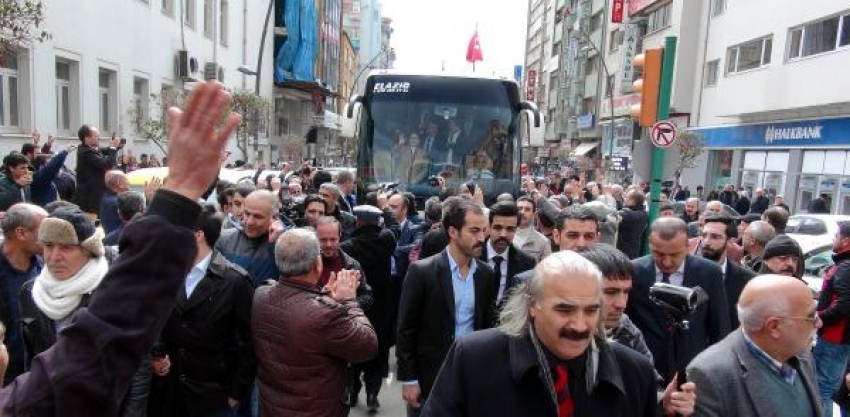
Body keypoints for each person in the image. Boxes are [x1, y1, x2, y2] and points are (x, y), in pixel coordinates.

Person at [0, 80, 240, 414]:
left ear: (89, 251)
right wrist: (178, 195)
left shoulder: (107, 280)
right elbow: (62, 375)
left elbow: (103, 347)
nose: (54, 256)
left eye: (65, 247)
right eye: (48, 246)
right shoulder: (31, 292)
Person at [421, 251, 690, 416]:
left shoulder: (634, 372)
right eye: (565, 309)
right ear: (532, 306)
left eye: (590, 310)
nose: (580, 325)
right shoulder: (474, 358)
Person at [251, 228, 378, 417]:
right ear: (317, 264)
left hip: (272, 406)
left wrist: (325, 298)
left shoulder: (261, 294)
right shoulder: (326, 315)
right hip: (316, 409)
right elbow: (367, 346)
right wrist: (348, 302)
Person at [148, 206, 255, 417]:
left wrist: (236, 392)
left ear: (197, 235)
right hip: (169, 391)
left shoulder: (234, 282)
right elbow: (153, 318)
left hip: (213, 396)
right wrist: (157, 354)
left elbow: (248, 343)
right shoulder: (164, 272)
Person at [396, 198, 497, 416]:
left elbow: (488, 325)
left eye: (484, 231)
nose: (482, 238)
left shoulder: (486, 274)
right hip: (429, 375)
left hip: (472, 374)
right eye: (474, 231)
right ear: (453, 231)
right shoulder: (422, 272)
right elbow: (406, 328)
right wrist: (409, 378)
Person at [580, 244, 698, 414]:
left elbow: (650, 384)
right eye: (610, 292)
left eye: (626, 292)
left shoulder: (625, 329)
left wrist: (664, 403)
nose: (621, 303)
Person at [686, 275, 822, 417]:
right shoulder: (711, 376)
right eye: (811, 316)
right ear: (774, 327)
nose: (819, 323)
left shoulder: (800, 352)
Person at [627, 217, 731, 381]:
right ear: (649, 245)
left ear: (688, 246)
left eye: (674, 254)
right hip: (643, 370)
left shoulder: (709, 273)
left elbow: (719, 328)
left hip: (694, 369)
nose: (667, 262)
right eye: (659, 254)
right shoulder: (633, 272)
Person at [341, 206, 396, 411]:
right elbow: (393, 229)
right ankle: (373, 393)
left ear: (358, 222)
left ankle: (353, 390)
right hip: (381, 306)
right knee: (377, 349)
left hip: (357, 303)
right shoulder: (387, 240)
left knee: (354, 349)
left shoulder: (348, 247)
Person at [0, 204, 47, 384]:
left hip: (38, 375)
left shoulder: (48, 267)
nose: (49, 236)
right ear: (21, 233)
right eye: (44, 230)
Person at [812, 221, 850, 416]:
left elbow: (845, 303)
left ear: (846, 241)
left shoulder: (845, 267)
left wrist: (821, 317)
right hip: (836, 339)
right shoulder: (843, 265)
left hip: (834, 339)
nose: (833, 239)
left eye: (836, 236)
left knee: (822, 390)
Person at [697, 214, 756, 329]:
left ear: (730, 241)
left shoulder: (748, 281)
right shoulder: (685, 272)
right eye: (704, 236)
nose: (706, 242)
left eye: (715, 237)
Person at [216, 190, 283, 287]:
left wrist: (275, 244)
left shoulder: (286, 245)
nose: (249, 222)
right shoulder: (224, 239)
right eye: (247, 214)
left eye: (258, 217)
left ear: (275, 217)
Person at [480, 202, 536, 305]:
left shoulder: (527, 263)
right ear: (489, 226)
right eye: (498, 228)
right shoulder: (473, 256)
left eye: (510, 229)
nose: (503, 234)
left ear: (516, 230)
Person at [73, 125, 122, 215]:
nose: (99, 138)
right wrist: (113, 148)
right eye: (96, 136)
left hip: (96, 197)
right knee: (92, 227)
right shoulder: (86, 152)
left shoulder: (92, 149)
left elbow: (106, 150)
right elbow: (107, 164)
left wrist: (117, 145)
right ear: (87, 138)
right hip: (89, 200)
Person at [513, 196, 552, 262]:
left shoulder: (543, 242)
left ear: (534, 214)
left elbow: (547, 269)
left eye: (527, 209)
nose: (522, 212)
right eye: (519, 208)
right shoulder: (505, 235)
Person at [617, 190, 648, 259]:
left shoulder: (629, 214)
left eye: (626, 197)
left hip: (624, 252)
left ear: (632, 201)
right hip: (633, 250)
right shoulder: (643, 213)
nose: (624, 199)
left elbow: (611, 214)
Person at [99, 170, 129, 234]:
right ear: (120, 184)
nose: (129, 182)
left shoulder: (106, 197)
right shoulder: (117, 203)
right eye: (126, 179)